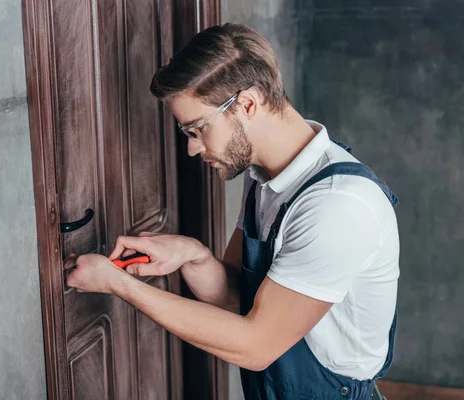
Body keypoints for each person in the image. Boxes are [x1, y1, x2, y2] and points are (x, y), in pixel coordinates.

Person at [64, 23, 399, 400]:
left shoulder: (336, 205)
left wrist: (117, 284)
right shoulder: (263, 176)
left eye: (198, 129)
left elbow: (256, 345)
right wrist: (194, 257)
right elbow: (238, 299)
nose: (192, 149)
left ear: (247, 104)